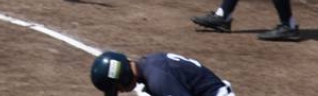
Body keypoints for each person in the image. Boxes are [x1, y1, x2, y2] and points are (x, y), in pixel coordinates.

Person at [90, 50, 235, 96]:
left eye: (118, 88)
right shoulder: (147, 65)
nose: (121, 92)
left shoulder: (159, 80)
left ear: (124, 77)